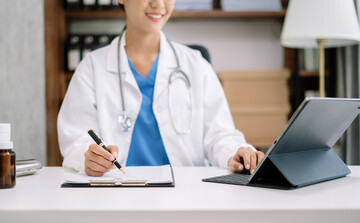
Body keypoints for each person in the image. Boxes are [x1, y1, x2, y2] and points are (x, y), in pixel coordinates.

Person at [57, 0, 264, 177]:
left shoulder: (196, 65)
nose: (159, 4)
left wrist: (235, 152)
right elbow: (75, 136)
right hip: (117, 190)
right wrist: (89, 155)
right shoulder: (92, 68)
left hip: (185, 193)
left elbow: (220, 134)